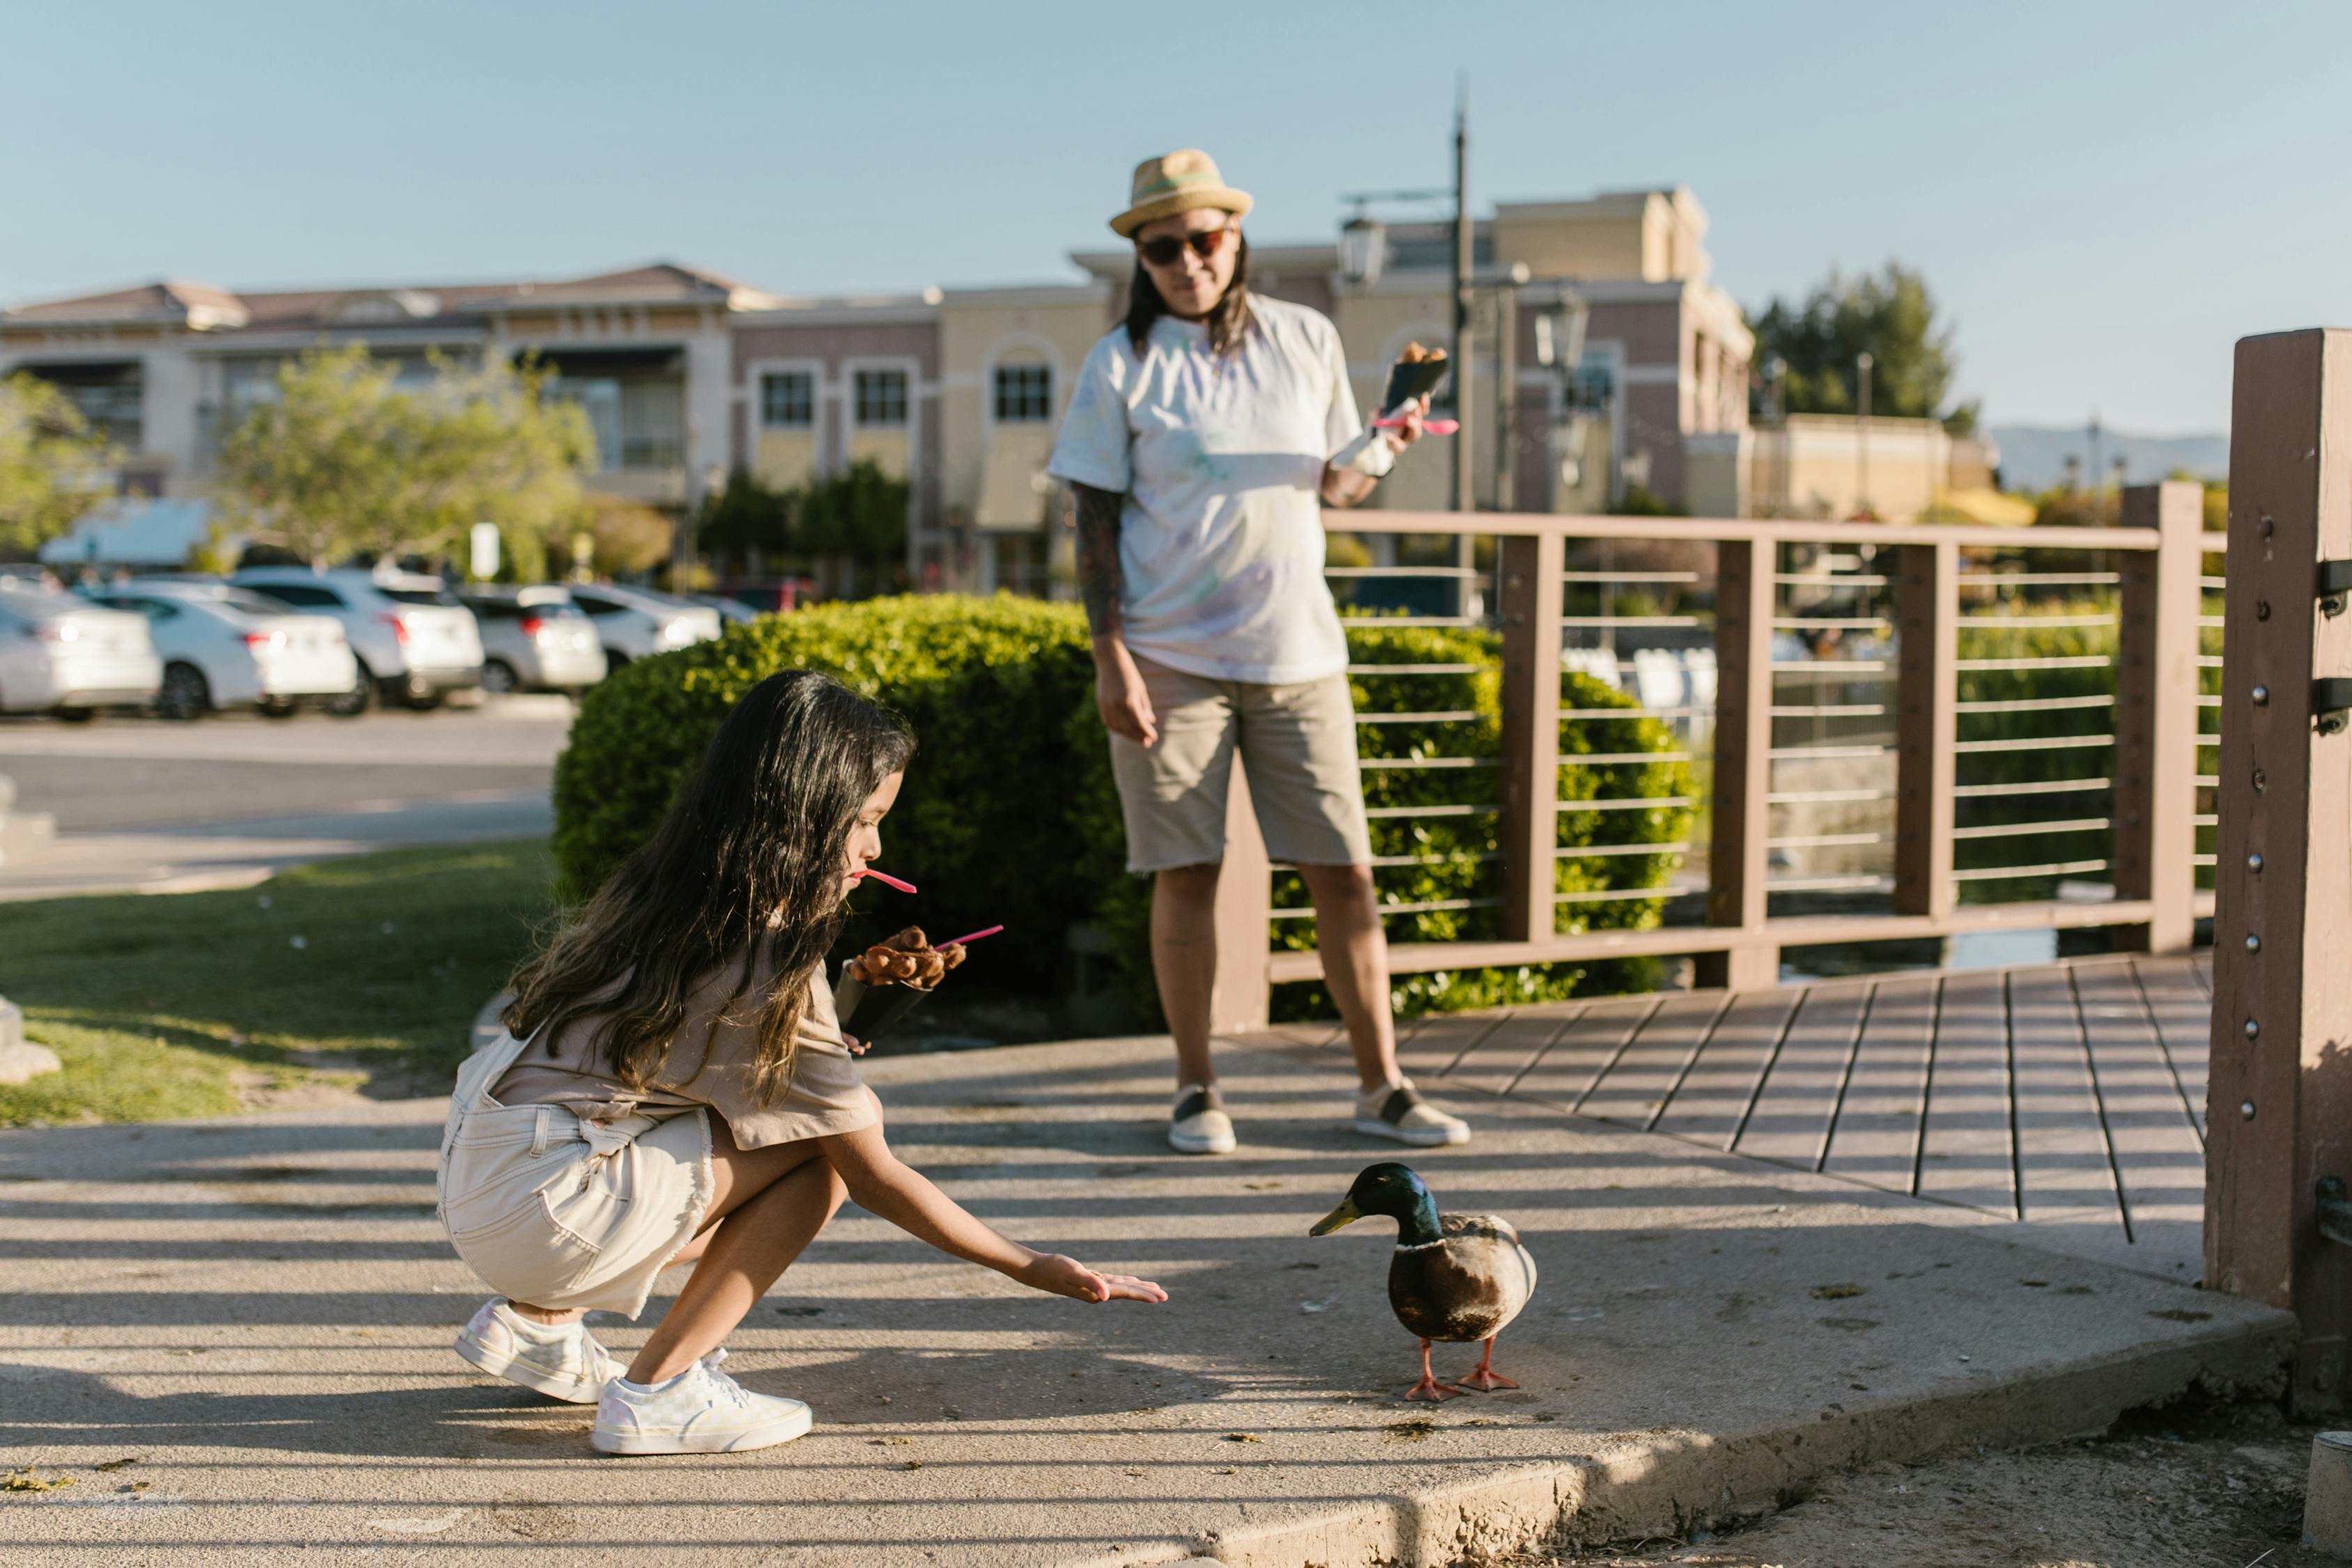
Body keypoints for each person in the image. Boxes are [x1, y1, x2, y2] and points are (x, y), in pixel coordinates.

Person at [437, 672, 1165, 1455]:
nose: (875, 848)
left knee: (758, 1131)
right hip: (546, 1211)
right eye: (864, 821)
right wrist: (1031, 1266)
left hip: (487, 1184)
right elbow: (872, 1173)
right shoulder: (771, 948)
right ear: (802, 813)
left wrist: (848, 994)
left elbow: (737, 1064)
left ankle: (542, 1327)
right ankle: (659, 1392)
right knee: (822, 1166)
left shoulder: (673, 891)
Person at [1047, 149, 1473, 1158]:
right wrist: (1110, 655)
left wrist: (1383, 443)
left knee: (1344, 873)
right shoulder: (1119, 363)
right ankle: (1196, 1089)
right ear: (1140, 258)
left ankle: (1382, 1083)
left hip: (1297, 652)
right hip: (1167, 656)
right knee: (1185, 871)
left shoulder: (1304, 337)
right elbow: (1092, 520)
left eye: (1205, 239)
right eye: (1163, 247)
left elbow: (1334, 484)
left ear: (1235, 238)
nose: (1187, 260)